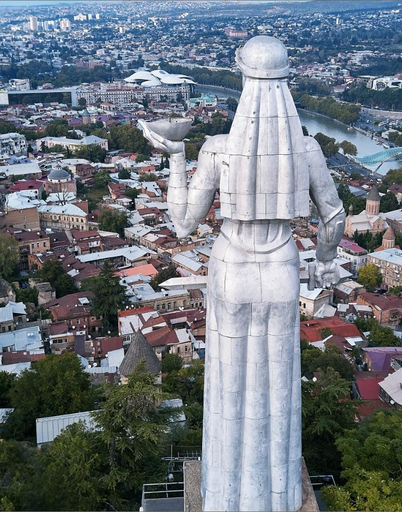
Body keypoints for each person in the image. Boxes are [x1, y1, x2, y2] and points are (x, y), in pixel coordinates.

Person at [141, 36, 345, 511]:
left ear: (242, 74)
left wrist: (175, 158)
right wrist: (327, 260)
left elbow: (185, 223)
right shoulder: (308, 149)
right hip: (280, 267)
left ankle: (225, 496)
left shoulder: (216, 149)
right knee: (278, 378)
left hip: (231, 266)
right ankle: (277, 496)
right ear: (286, 77)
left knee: (229, 380)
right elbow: (332, 218)